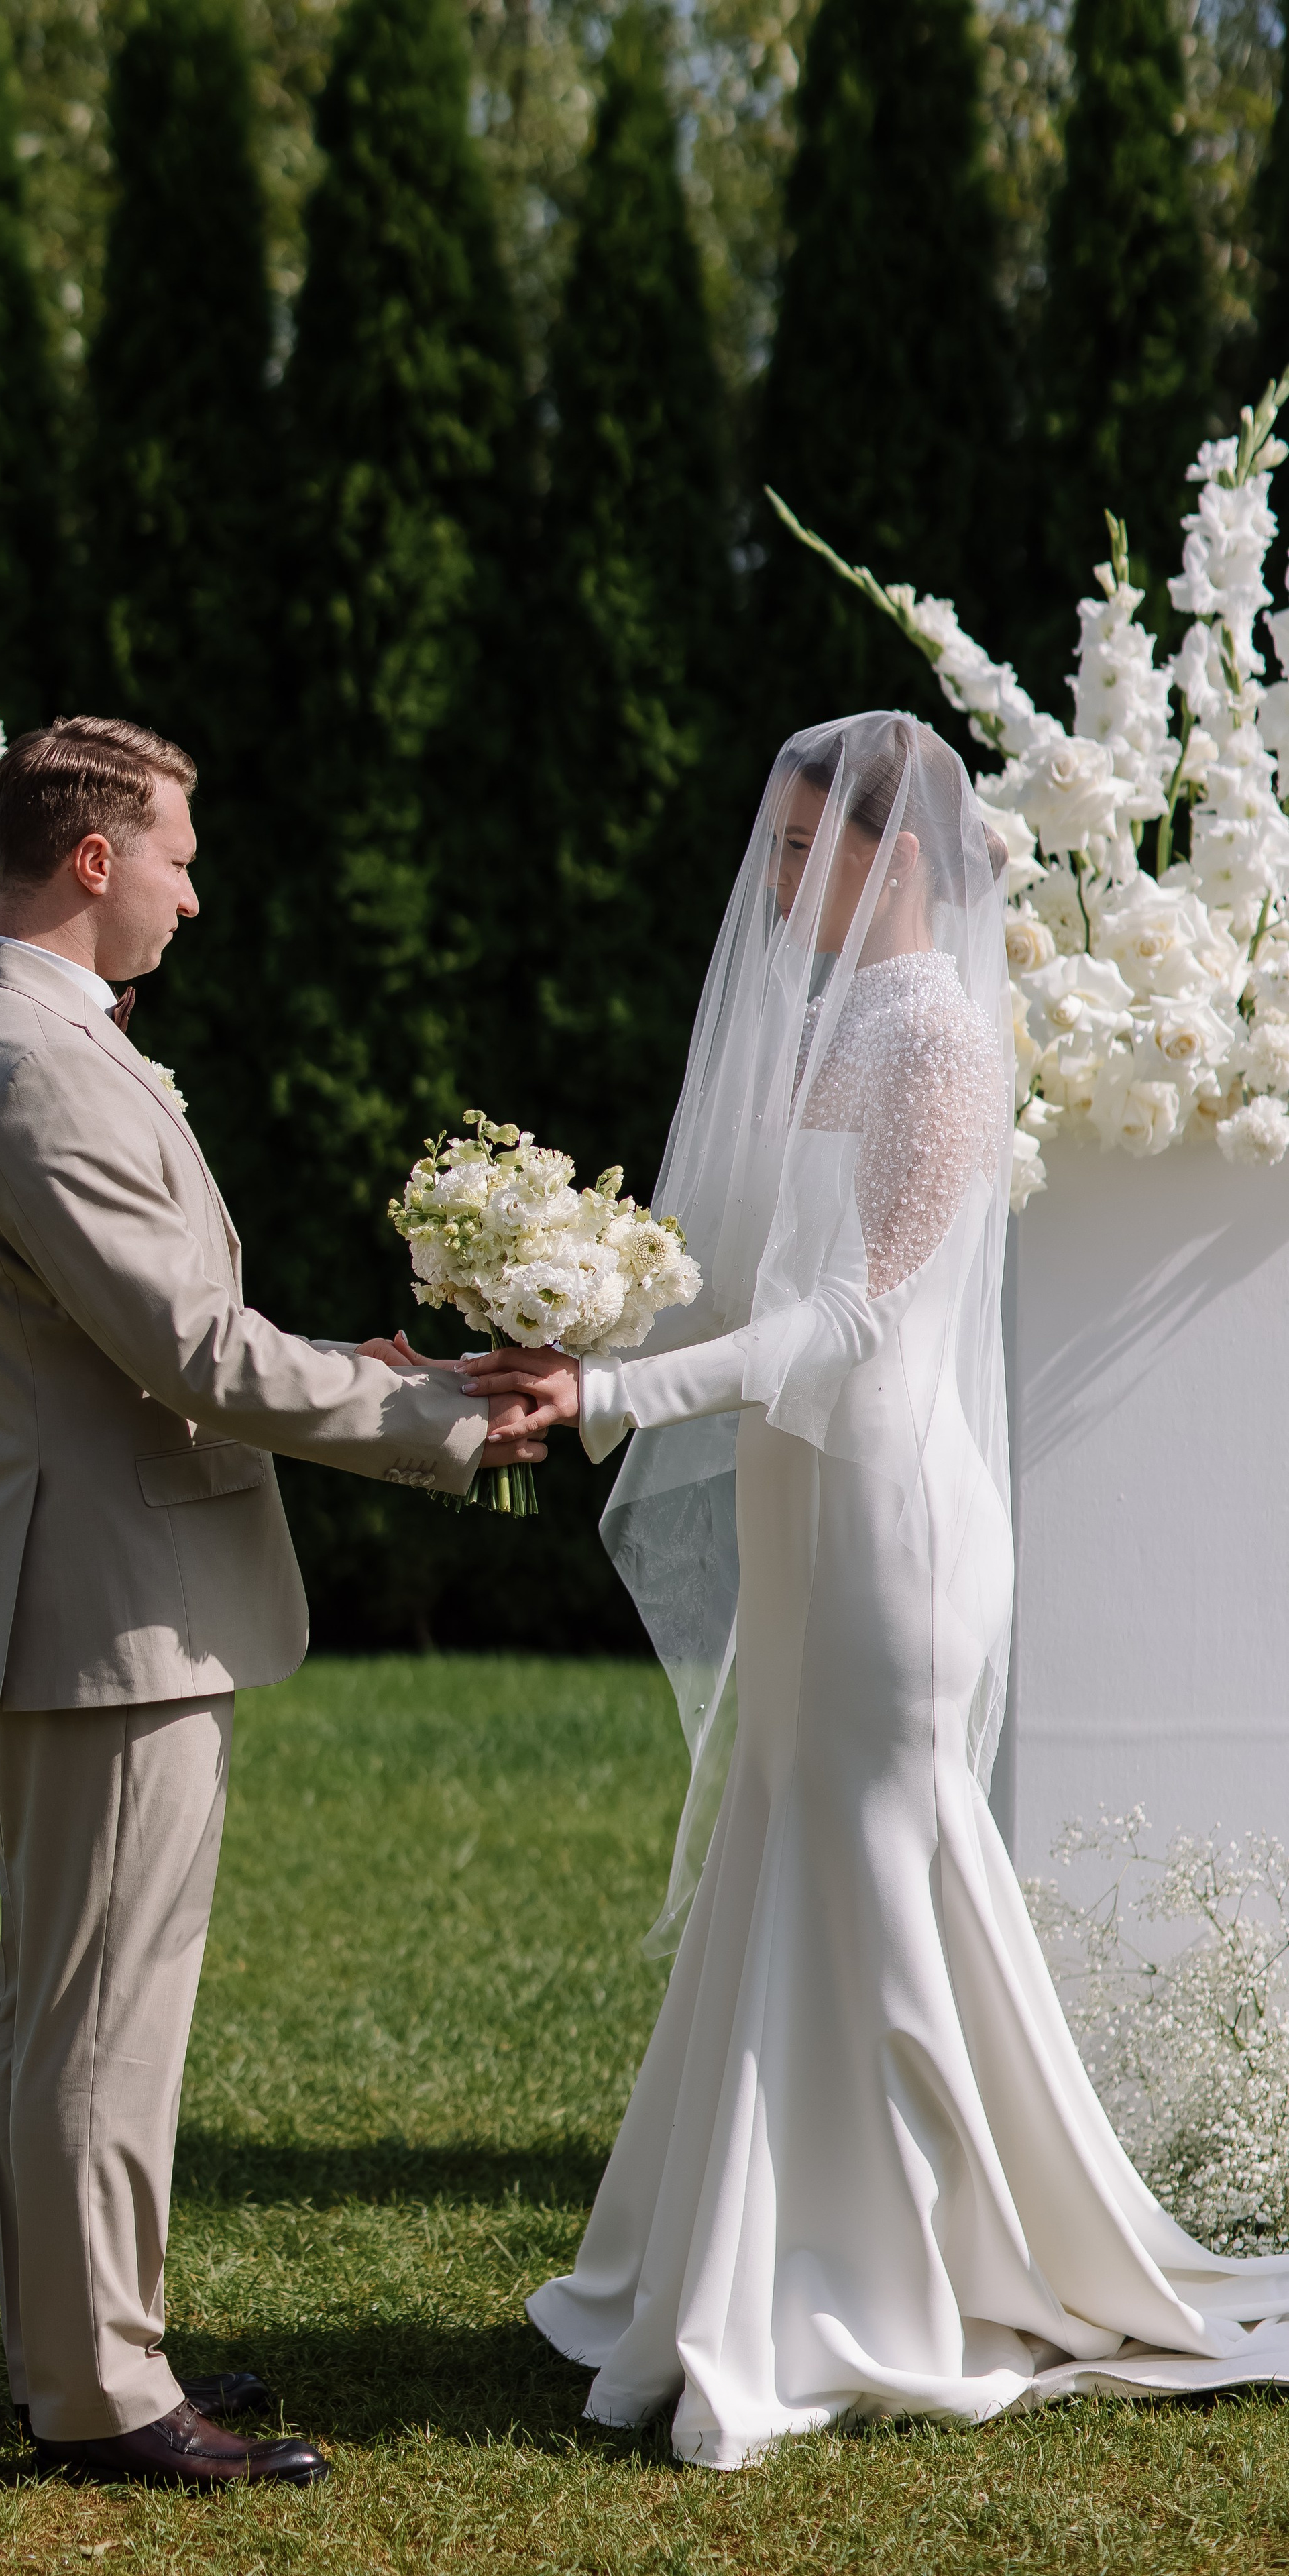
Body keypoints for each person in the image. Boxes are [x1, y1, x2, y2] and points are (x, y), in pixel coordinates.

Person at [459, 713, 1289, 2468]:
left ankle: (908, 2269)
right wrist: (590, 1318)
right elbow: (767, 1282)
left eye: (798, 850)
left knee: (882, 1865)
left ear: (892, 853)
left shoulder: (924, 1031)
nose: (772, 885)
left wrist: (614, 1396)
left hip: (892, 1516)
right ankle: (771, 2258)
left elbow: (856, 1324)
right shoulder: (846, 1024)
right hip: (811, 1504)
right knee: (807, 1845)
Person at [0, 714, 542, 2489]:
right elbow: (188, 1349)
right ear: (93, 860)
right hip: (107, 1605)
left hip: (80, 1585)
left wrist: (344, 1359)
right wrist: (454, 1417)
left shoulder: (21, 1040)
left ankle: (74, 2362)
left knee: (61, 2003)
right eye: (180, 852)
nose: (199, 887)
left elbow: (134, 1341)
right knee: (102, 2013)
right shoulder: (34, 1067)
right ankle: (104, 2398)